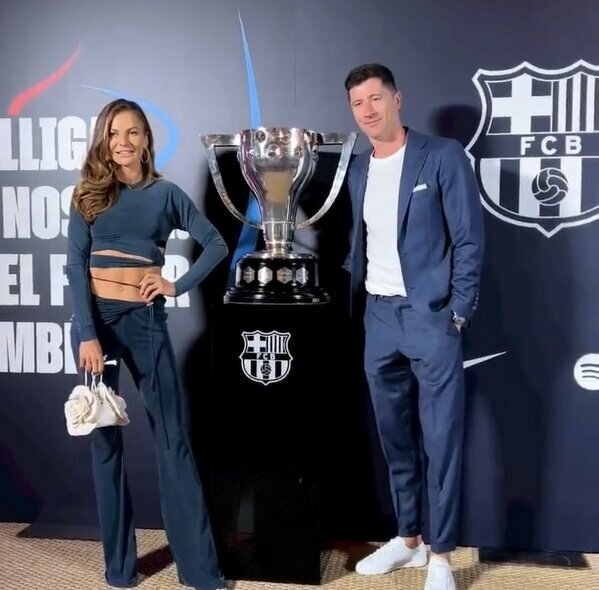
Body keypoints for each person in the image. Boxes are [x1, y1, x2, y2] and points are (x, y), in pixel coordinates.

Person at [66, 98, 229, 590]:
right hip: (97, 328)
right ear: (104, 139)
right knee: (105, 445)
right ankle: (119, 569)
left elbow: (216, 244)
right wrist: (88, 334)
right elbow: (75, 265)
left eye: (132, 132)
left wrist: (175, 285)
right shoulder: (88, 194)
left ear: (146, 140)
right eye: (114, 133)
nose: (123, 142)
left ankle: (199, 571)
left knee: (173, 441)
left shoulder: (166, 194)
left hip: (146, 324)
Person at [343, 63, 484, 590]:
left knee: (441, 441)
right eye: (358, 103)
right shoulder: (358, 168)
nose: (368, 110)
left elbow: (468, 238)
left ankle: (441, 556)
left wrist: (458, 311)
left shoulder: (442, 155)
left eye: (375, 98)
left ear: (397, 99)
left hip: (432, 317)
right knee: (395, 438)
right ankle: (409, 541)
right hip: (379, 318)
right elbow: (362, 242)